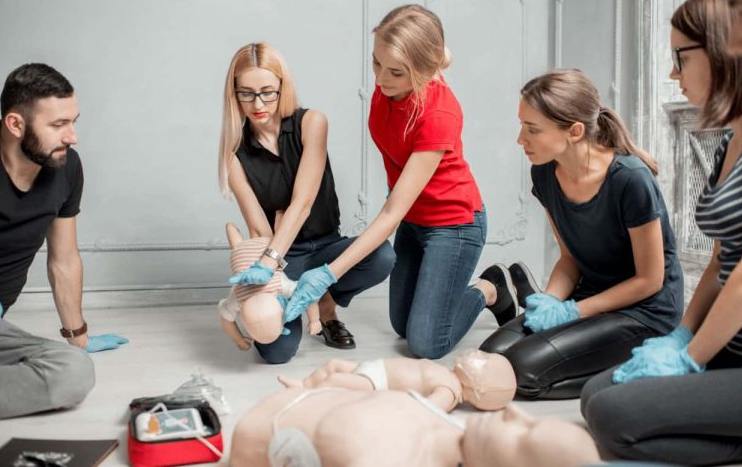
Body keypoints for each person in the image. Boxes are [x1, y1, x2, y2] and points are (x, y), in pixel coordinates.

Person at [581, 0, 742, 465]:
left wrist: (691, 359)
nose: (673, 72)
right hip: (731, 348)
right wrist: (682, 334)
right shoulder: (730, 141)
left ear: (724, 48)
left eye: (681, 57)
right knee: (597, 394)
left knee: (615, 418)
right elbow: (725, 257)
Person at [282, 4, 518, 360]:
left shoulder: (438, 113)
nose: (380, 79)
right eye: (376, 63)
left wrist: (328, 274)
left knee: (426, 344)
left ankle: (491, 287)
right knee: (401, 326)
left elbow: (392, 211)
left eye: (395, 71)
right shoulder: (391, 87)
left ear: (424, 70)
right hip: (414, 219)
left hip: (453, 226)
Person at [479, 68, 683, 399]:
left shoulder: (630, 180)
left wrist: (571, 313)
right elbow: (570, 258)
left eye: (532, 129)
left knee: (522, 368)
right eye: (522, 126)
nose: (520, 139)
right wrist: (551, 300)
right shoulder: (544, 173)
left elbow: (650, 280)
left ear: (574, 131)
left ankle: (638, 369)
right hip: (589, 298)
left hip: (643, 312)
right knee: (492, 355)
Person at [218, 43, 394, 363]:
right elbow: (259, 227)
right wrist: (272, 278)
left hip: (326, 245)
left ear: (282, 87)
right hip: (285, 256)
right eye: (246, 93)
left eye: (267, 91)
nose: (258, 103)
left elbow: (303, 201)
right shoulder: (234, 158)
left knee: (382, 256)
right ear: (234, 93)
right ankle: (297, 299)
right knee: (276, 352)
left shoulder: (312, 122)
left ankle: (326, 305)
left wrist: (271, 253)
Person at [0, 63, 128, 419]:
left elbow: (64, 259)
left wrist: (79, 335)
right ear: (15, 124)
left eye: (73, 121)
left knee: (73, 369)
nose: (72, 136)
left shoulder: (66, 167)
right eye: (57, 125)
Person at [229, 387, 601, 467]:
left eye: (525, 435)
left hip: (259, 438)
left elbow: (344, 439)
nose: (515, 414)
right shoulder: (454, 429)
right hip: (294, 402)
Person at [276, 348, 517, 411]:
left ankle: (305, 399)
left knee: (335, 379)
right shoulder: (450, 374)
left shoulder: (449, 391)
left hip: (379, 383)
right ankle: (305, 384)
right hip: (376, 367)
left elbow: (424, 409)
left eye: (481, 361)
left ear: (481, 387)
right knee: (333, 365)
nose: (476, 354)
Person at [218, 222, 320, 349]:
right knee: (237, 244)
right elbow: (226, 319)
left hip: (266, 249)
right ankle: (231, 228)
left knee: (277, 237)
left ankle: (233, 226)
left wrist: (314, 319)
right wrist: (238, 339)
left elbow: (307, 294)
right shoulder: (238, 299)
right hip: (243, 252)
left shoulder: (280, 287)